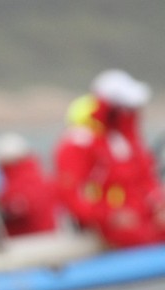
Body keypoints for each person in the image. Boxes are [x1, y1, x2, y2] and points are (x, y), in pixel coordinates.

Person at [53, 69, 165, 247]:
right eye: (127, 108)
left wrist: (159, 205)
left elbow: (145, 179)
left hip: (138, 217)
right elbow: (71, 193)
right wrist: (108, 216)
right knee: (138, 236)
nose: (133, 113)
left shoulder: (126, 140)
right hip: (106, 226)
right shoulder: (80, 142)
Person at [0, 132, 59, 237]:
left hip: (27, 242)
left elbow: (17, 209)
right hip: (49, 237)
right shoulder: (43, 177)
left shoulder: (17, 184)